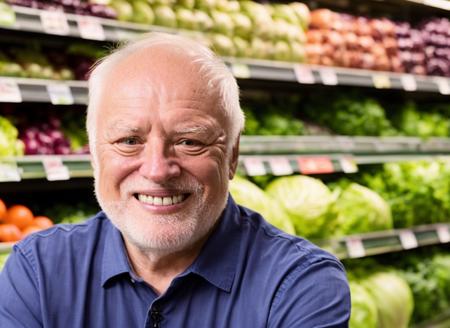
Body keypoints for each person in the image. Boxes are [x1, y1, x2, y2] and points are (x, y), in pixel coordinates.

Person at [0, 33, 350, 327]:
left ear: (231, 155)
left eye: (189, 141)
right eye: (128, 141)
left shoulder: (300, 285)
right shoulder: (39, 270)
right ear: (94, 154)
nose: (156, 170)